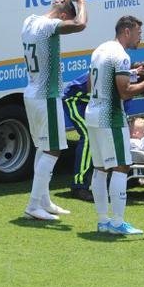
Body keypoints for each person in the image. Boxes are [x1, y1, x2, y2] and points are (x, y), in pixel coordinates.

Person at [84, 15, 144, 235]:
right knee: (121, 166)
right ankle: (118, 223)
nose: (140, 38)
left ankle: (103, 221)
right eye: (138, 33)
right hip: (110, 115)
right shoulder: (121, 56)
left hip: (93, 111)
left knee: (100, 168)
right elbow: (124, 91)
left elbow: (92, 84)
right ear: (127, 32)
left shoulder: (100, 50)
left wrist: (130, 74)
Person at [20, 0, 87, 221]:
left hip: (33, 92)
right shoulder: (48, 26)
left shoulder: (31, 21)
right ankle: (32, 205)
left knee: (43, 146)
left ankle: (43, 200)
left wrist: (71, 3)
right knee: (53, 148)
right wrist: (80, 0)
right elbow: (80, 24)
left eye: (64, 2)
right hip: (45, 94)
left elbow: (71, 22)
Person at [62, 71, 92, 201]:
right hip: (74, 100)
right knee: (88, 136)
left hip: (89, 101)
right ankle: (79, 185)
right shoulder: (119, 71)